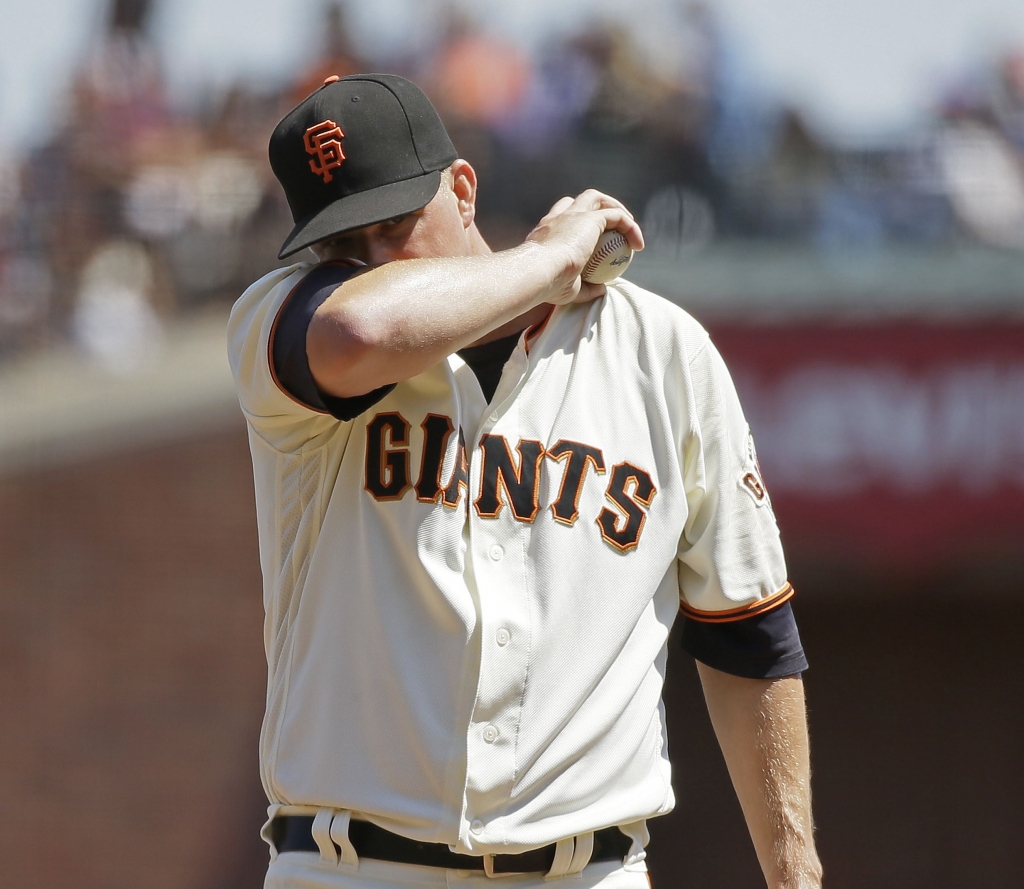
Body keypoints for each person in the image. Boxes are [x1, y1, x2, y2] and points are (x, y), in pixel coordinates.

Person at [228, 73, 822, 889]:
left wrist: (795, 876)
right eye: (344, 245)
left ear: (462, 190)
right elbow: (367, 325)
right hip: (352, 866)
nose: (374, 258)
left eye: (396, 223)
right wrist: (549, 258)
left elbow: (747, 629)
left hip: (587, 869)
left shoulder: (659, 351)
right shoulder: (283, 321)